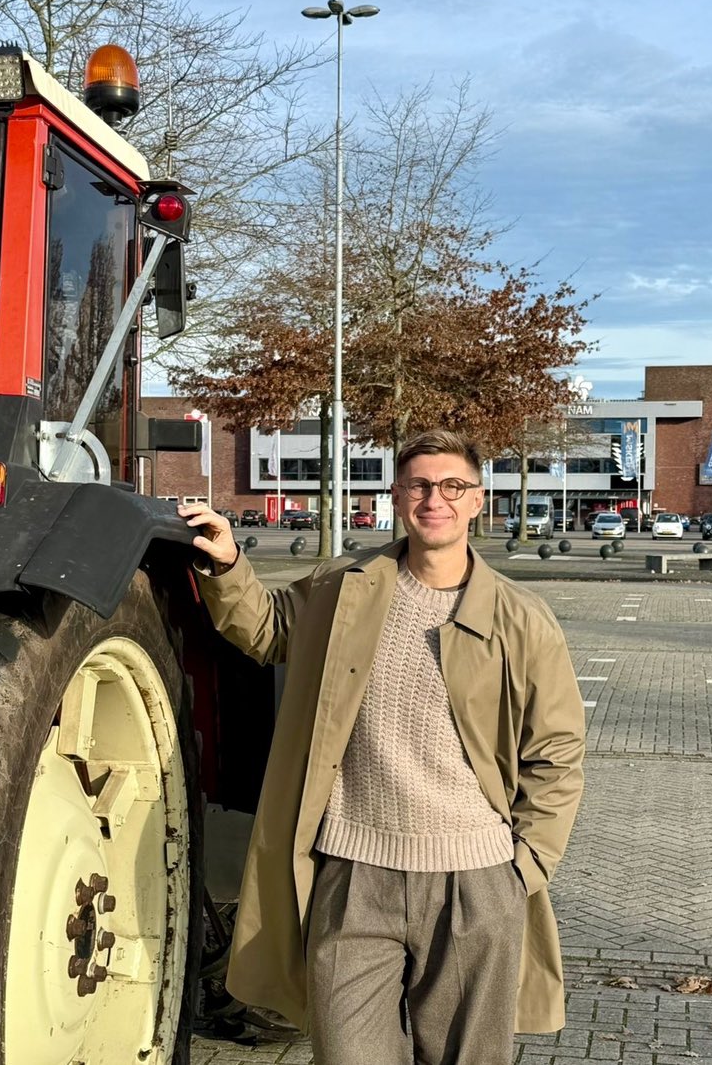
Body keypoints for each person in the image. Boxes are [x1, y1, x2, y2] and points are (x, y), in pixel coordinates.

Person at [178, 429, 585, 1065]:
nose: (436, 499)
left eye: (453, 486)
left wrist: (524, 868)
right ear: (397, 495)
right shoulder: (345, 588)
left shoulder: (521, 618)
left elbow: (557, 751)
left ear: (477, 501)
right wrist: (228, 564)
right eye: (420, 485)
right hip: (351, 869)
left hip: (474, 879)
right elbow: (265, 629)